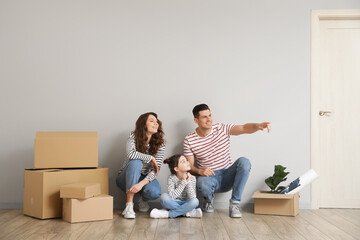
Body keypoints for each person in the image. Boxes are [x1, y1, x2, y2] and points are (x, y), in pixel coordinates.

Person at [183, 104, 271, 218]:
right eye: (204, 117)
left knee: (244, 162)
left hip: (227, 175)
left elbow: (244, 128)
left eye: (210, 115)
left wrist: (257, 125)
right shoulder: (189, 140)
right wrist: (201, 172)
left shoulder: (222, 128)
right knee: (202, 182)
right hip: (209, 178)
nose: (209, 119)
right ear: (196, 120)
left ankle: (235, 203)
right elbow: (189, 166)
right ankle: (208, 201)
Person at [116, 112, 165, 219]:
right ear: (143, 124)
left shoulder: (160, 144)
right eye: (151, 121)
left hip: (144, 177)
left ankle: (143, 199)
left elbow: (156, 169)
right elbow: (131, 154)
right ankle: (129, 205)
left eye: (157, 121)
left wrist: (141, 184)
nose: (156, 123)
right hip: (125, 177)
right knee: (135, 162)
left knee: (155, 192)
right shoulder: (133, 136)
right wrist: (150, 158)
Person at [150, 154, 202, 218]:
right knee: (164, 197)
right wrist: (184, 182)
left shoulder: (192, 178)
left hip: (187, 203)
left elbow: (192, 197)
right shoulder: (171, 178)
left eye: (186, 160)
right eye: (183, 161)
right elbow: (172, 196)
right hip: (174, 203)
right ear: (176, 168)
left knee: (195, 201)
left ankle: (169, 214)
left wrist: (188, 182)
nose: (187, 162)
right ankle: (187, 212)